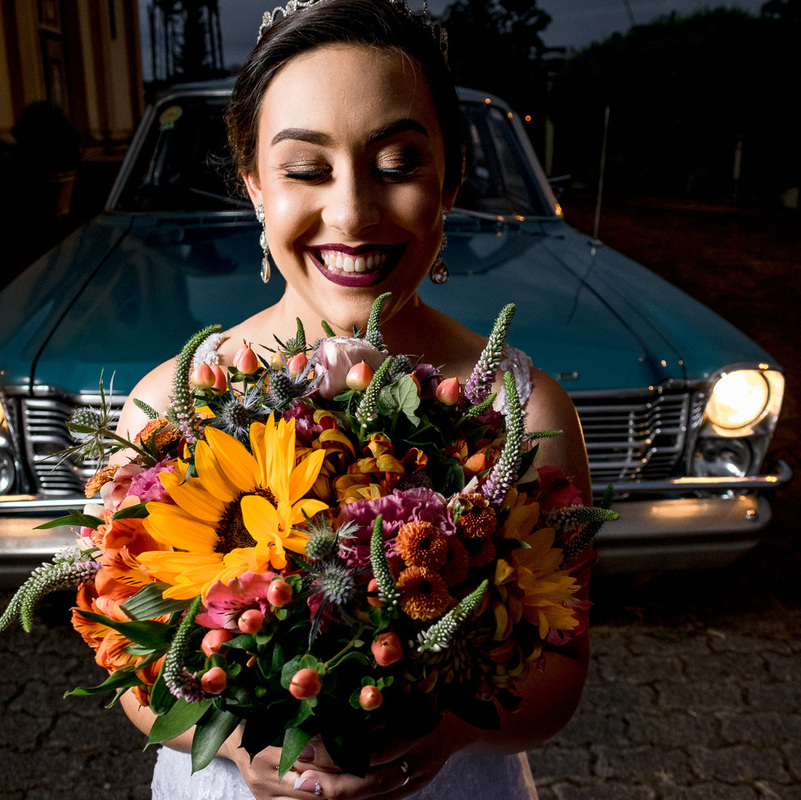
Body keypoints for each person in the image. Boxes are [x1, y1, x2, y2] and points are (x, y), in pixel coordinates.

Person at [116, 1, 593, 797]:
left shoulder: (525, 414)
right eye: (306, 169)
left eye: (398, 163)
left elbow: (561, 675)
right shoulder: (168, 406)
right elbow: (131, 662)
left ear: (451, 178)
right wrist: (241, 746)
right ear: (254, 184)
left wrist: (442, 732)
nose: (353, 214)